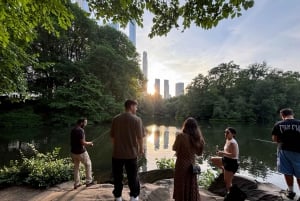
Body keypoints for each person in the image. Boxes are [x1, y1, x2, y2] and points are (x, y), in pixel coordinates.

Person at [110, 100, 144, 201]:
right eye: (136, 107)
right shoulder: (137, 119)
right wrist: (141, 149)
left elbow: (112, 137)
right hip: (131, 154)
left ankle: (118, 197)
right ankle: (134, 196)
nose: (136, 109)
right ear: (131, 106)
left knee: (117, 176)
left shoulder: (115, 119)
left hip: (117, 154)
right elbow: (140, 138)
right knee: (133, 176)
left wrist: (118, 146)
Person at [172, 117, 205, 201]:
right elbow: (199, 153)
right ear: (195, 127)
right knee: (191, 185)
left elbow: (174, 148)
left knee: (181, 184)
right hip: (191, 166)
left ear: (185, 126)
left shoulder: (181, 136)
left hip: (181, 165)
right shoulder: (198, 139)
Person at [271, 108, 300, 200]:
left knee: (287, 172)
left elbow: (275, 139)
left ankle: (290, 191)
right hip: (298, 152)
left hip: (284, 151)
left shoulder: (278, 124)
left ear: (282, 115)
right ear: (292, 114)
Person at [211, 127, 239, 194]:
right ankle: (223, 169)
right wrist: (221, 152)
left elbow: (233, 155)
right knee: (212, 159)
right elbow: (227, 151)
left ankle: (232, 196)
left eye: (227, 132)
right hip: (225, 160)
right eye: (225, 132)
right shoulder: (227, 140)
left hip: (231, 163)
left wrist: (222, 153)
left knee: (228, 183)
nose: (225, 134)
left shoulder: (233, 143)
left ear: (233, 134)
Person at [70, 117, 94, 189]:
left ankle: (76, 184)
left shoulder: (73, 130)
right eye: (85, 123)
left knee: (76, 168)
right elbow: (83, 143)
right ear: (81, 123)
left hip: (73, 152)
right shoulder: (81, 130)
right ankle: (88, 182)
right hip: (81, 152)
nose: (86, 124)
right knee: (88, 164)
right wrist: (90, 143)